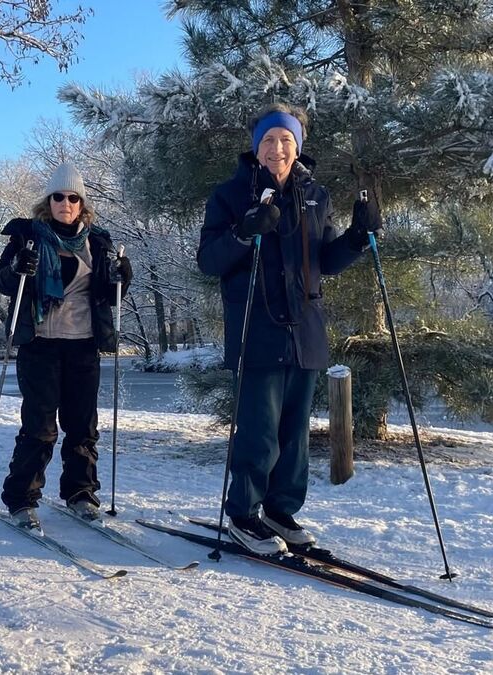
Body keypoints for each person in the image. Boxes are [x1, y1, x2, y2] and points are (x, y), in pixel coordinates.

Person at [196, 103, 382, 554]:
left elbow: (326, 261)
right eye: (267, 140)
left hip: (305, 328)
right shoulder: (231, 194)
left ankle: (280, 510)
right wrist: (244, 232)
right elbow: (209, 260)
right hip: (255, 326)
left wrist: (358, 238)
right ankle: (243, 513)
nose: (276, 149)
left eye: (285, 140)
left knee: (295, 432)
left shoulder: (315, 194)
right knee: (259, 429)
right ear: (255, 146)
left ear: (297, 146)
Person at [0, 161, 132, 529]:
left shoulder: (97, 242)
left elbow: (108, 295)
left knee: (83, 426)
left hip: (83, 344)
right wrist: (18, 266)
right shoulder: (27, 238)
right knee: (40, 427)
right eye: (58, 196)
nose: (65, 203)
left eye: (73, 197)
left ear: (81, 204)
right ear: (48, 201)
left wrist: (122, 278)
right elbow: (4, 283)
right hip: (40, 344)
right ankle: (22, 498)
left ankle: (81, 493)